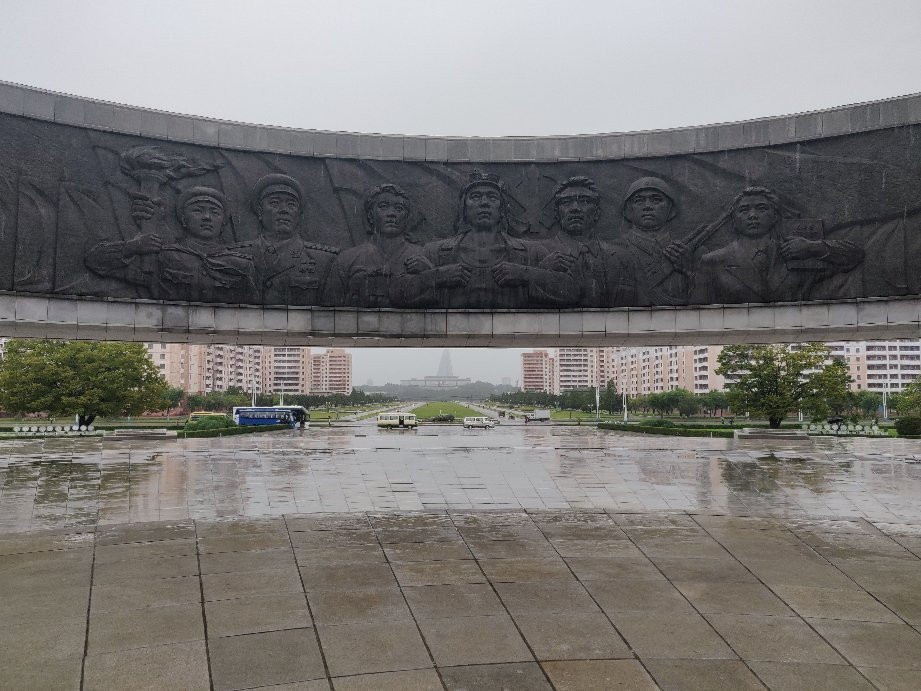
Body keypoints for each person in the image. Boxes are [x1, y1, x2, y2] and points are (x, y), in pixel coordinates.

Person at [392, 170, 576, 308]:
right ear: (464, 208)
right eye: (475, 197)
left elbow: (573, 292)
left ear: (502, 208)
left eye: (492, 197)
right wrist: (436, 276)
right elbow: (396, 293)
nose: (484, 202)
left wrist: (526, 274)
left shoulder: (532, 252)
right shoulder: (435, 252)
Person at [694, 186, 863, 304]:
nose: (753, 215)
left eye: (761, 209)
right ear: (734, 221)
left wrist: (813, 247)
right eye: (744, 210)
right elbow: (696, 311)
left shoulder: (799, 250)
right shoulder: (713, 261)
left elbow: (856, 255)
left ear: (775, 216)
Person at [86, 186, 256, 302]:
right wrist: (133, 246)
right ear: (183, 220)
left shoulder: (241, 264)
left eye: (215, 212)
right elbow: (94, 262)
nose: (207, 217)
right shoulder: (163, 255)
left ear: (223, 223)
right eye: (198, 210)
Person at [323, 184, 422, 306]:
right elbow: (329, 310)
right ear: (370, 215)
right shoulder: (346, 259)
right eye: (384, 207)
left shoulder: (422, 256)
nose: (392, 213)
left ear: (406, 217)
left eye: (399, 208)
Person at [250, 173, 339, 306]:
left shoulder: (326, 260)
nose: (284, 210)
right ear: (260, 211)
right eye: (274, 203)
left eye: (291, 204)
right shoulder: (238, 255)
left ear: (299, 216)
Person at [607, 176, 693, 306]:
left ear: (671, 209)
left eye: (656, 200)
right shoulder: (611, 250)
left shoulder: (690, 252)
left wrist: (690, 272)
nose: (647, 206)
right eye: (639, 200)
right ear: (628, 210)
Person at [539, 176, 621, 306]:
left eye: (584, 201)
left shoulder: (619, 257)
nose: (575, 208)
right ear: (556, 213)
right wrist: (542, 272)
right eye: (566, 202)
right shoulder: (539, 252)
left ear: (597, 213)